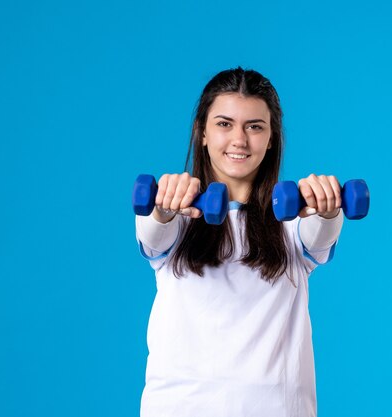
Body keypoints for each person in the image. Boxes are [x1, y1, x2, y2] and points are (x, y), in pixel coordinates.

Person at [135, 67, 344, 417]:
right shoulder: (175, 214)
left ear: (272, 138)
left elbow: (322, 233)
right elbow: (154, 233)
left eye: (255, 126)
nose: (239, 140)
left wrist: (326, 207)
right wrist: (164, 207)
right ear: (202, 132)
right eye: (224, 124)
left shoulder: (293, 223)